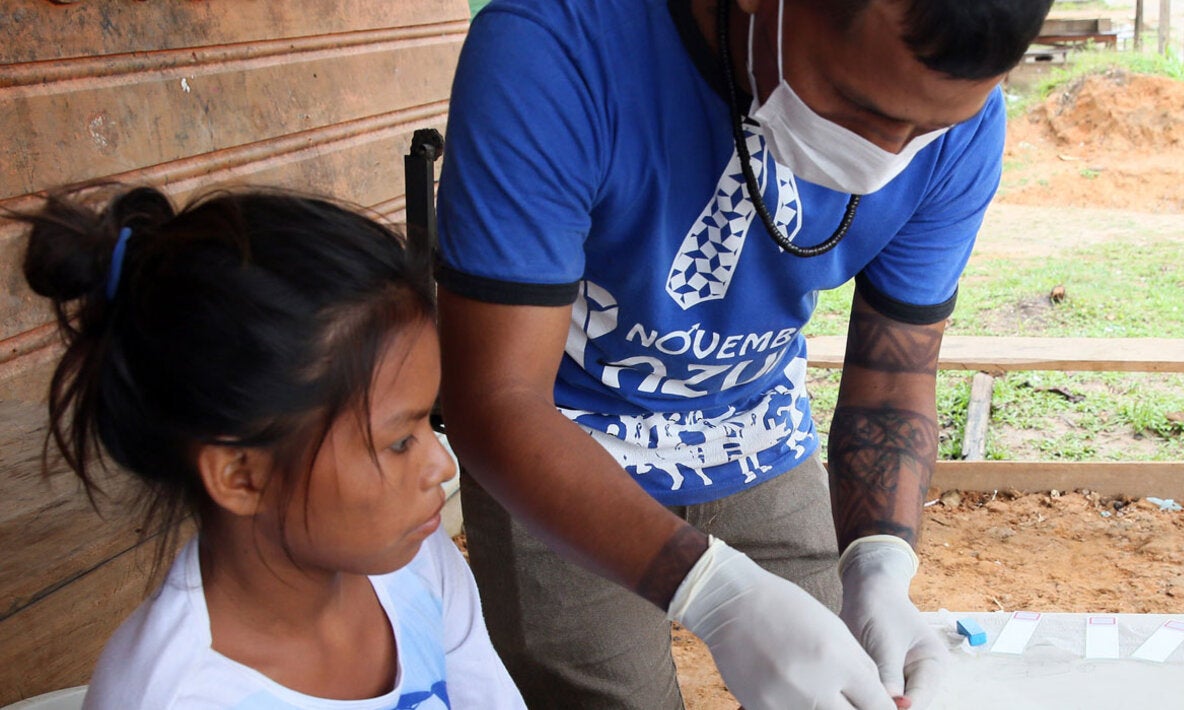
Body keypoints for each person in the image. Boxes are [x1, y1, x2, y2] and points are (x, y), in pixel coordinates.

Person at [435, 0, 1052, 708]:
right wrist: (714, 591)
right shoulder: (555, 50)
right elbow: (496, 398)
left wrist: (879, 564)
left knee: (850, 687)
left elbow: (894, 374)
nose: (887, 157)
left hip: (756, 432)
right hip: (556, 447)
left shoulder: (964, 127)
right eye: (856, 107)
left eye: (931, 129)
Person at [16, 185, 526, 709]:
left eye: (428, 422)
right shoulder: (176, 697)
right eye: (400, 442)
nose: (441, 464)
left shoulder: (417, 565)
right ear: (241, 476)